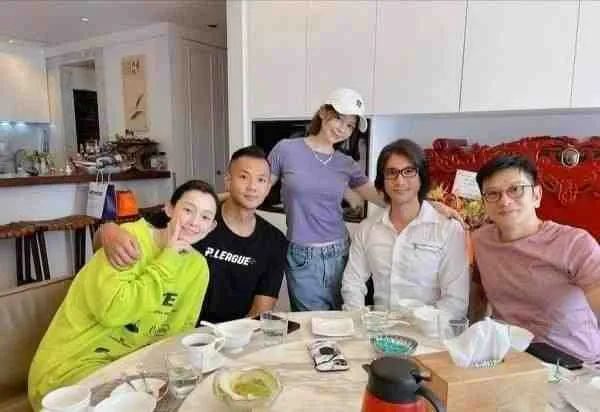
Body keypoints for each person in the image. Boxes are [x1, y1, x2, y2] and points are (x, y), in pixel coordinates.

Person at [28, 180, 219, 410]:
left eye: (205, 217)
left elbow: (178, 333)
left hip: (131, 370)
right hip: (70, 371)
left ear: (211, 227)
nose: (195, 222)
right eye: (188, 210)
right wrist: (168, 260)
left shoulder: (197, 267)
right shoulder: (125, 241)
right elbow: (114, 313)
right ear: (169, 208)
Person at [268, 88, 460, 312]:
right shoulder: (286, 149)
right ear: (323, 112)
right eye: (339, 118)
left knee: (347, 320)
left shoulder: (345, 164)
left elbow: (384, 196)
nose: (342, 128)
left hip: (340, 252)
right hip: (302, 256)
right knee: (313, 325)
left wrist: (431, 206)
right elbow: (259, 188)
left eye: (350, 125)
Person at [97, 146, 288, 323]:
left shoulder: (275, 241)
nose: (252, 187)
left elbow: (260, 311)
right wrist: (108, 230)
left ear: (268, 188)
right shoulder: (193, 220)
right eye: (244, 177)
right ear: (228, 181)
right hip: (170, 329)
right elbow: (121, 235)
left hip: (231, 335)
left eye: (261, 180)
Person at [472, 154, 600, 362]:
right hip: (511, 358)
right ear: (484, 202)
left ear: (537, 195)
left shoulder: (574, 243)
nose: (505, 201)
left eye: (515, 189)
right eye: (493, 194)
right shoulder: (480, 240)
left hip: (572, 363)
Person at [341, 139, 469, 317]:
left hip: (429, 329)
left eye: (409, 171)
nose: (399, 181)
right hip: (380, 328)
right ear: (382, 181)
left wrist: (420, 326)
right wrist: (358, 321)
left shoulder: (448, 229)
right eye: (391, 173)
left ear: (421, 176)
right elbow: (352, 284)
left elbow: (456, 301)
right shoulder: (368, 229)